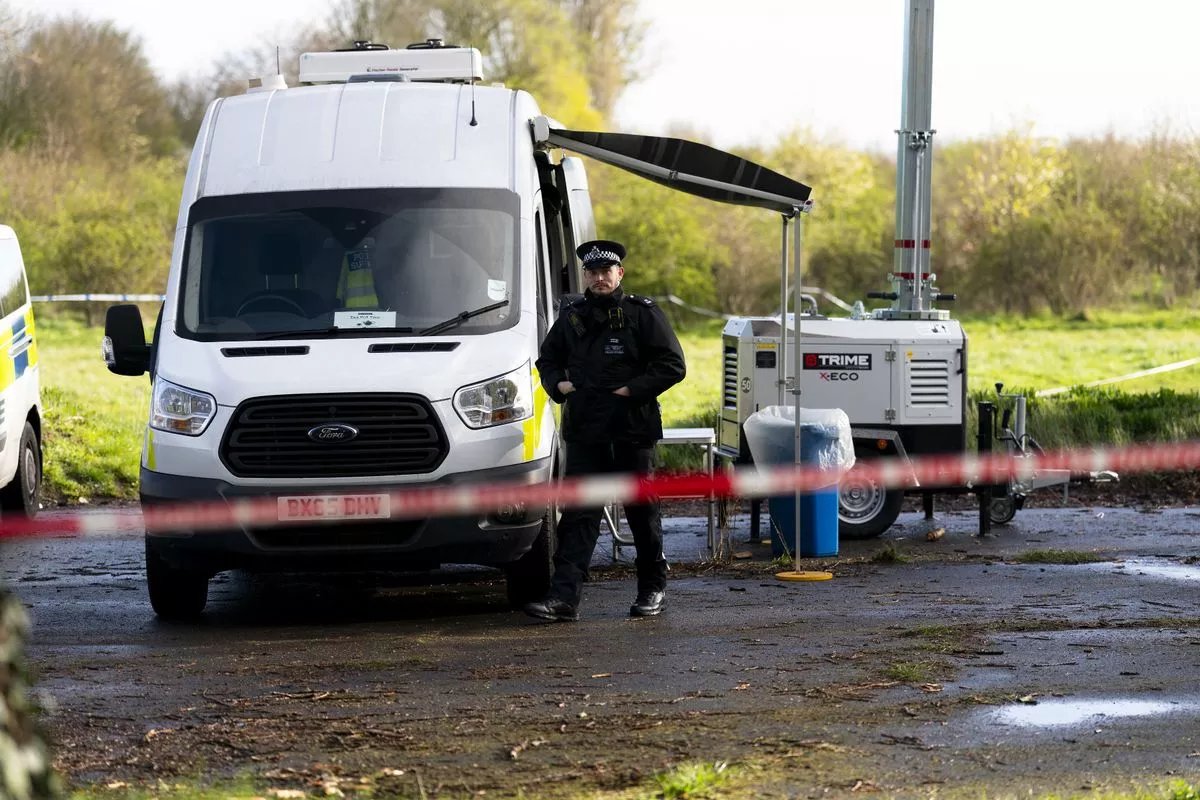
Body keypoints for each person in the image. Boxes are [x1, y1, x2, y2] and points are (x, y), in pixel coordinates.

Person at [525, 239, 686, 622]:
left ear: (619, 274)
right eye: (592, 272)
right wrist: (558, 386)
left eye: (605, 272)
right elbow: (547, 360)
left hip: (631, 431)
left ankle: (652, 589)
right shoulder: (572, 318)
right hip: (585, 433)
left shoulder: (643, 314)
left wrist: (633, 389)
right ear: (585, 275)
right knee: (579, 517)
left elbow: (672, 365)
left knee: (641, 513)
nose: (599, 278)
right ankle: (563, 599)